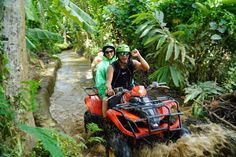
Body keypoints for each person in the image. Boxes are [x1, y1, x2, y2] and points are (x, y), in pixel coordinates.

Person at [102, 44, 150, 117]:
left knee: (145, 100)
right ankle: (105, 120)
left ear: (129, 54)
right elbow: (108, 82)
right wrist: (109, 89)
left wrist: (138, 56)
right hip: (117, 91)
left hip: (131, 90)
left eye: (126, 53)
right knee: (106, 100)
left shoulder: (132, 62)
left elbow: (146, 68)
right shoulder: (112, 67)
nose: (124, 56)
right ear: (117, 55)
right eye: (121, 54)